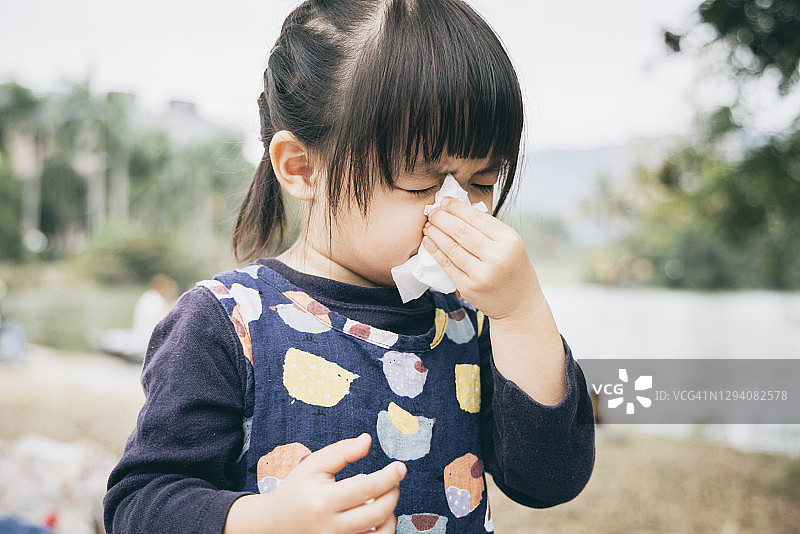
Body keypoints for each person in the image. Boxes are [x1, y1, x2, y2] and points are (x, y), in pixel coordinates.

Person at [104, 1, 595, 532]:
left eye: (481, 183)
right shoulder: (228, 324)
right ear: (302, 169)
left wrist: (521, 313)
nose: (459, 210)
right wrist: (264, 521)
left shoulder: (471, 323)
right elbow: (139, 504)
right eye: (423, 185)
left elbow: (549, 479)